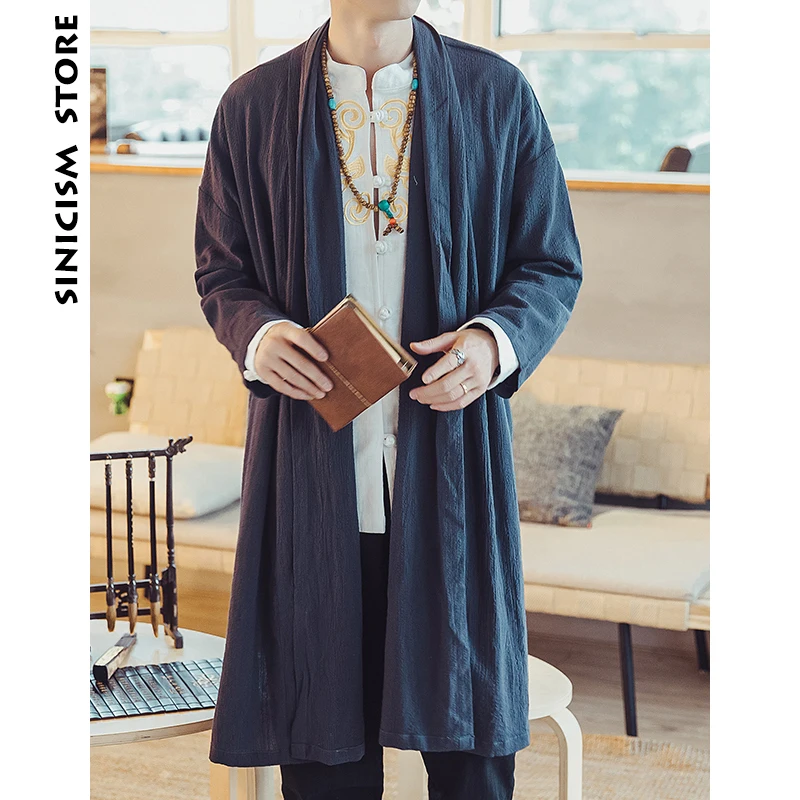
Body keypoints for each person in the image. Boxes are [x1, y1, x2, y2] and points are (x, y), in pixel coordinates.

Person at [194, 3, 582, 798]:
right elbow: (221, 269)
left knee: (471, 755)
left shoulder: (496, 93)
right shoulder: (252, 106)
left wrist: (493, 344)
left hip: (451, 477)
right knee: (322, 750)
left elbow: (549, 262)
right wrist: (259, 337)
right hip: (311, 474)